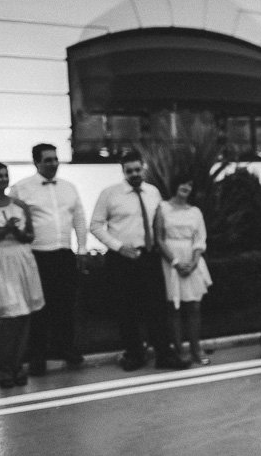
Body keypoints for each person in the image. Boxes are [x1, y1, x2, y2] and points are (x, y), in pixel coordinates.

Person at [89, 151, 189, 372]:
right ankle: (134, 354)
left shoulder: (153, 192)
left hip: (149, 257)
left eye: (137, 169)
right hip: (122, 259)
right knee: (127, 309)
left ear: (143, 167)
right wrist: (118, 247)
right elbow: (95, 225)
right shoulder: (110, 194)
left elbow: (157, 222)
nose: (134, 174)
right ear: (123, 171)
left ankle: (164, 354)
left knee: (157, 308)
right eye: (129, 171)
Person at [10, 143, 87, 376]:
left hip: (63, 253)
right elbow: (15, 221)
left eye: (55, 159)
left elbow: (80, 219)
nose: (53, 163)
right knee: (39, 308)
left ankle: (67, 349)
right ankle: (37, 357)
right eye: (48, 160)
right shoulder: (21, 188)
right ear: (36, 162)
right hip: (37, 254)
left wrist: (82, 249)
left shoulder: (69, 187)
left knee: (65, 305)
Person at [0, 162, 45, 388]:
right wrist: (5, 229)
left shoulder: (20, 204)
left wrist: (18, 231)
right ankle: (3, 366)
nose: (3, 179)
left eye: (5, 175)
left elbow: (30, 235)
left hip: (22, 258)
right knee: (7, 316)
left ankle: (17, 364)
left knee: (24, 315)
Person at [154, 175, 213, 365]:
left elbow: (200, 239)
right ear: (174, 185)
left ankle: (196, 349)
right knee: (174, 308)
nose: (186, 187)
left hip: (192, 259)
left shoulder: (195, 212)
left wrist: (194, 262)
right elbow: (159, 239)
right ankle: (180, 351)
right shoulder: (162, 208)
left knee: (194, 306)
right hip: (171, 260)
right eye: (183, 182)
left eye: (190, 184)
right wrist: (176, 262)